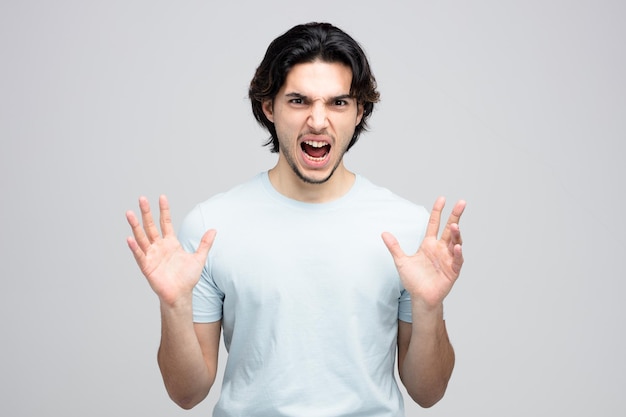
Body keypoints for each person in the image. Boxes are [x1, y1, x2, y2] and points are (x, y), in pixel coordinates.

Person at [126, 22, 466, 417]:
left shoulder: (408, 228)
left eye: (338, 103)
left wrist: (428, 308)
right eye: (299, 101)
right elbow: (187, 394)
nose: (318, 121)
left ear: (359, 112)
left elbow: (429, 392)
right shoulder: (210, 227)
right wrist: (174, 306)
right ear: (269, 107)